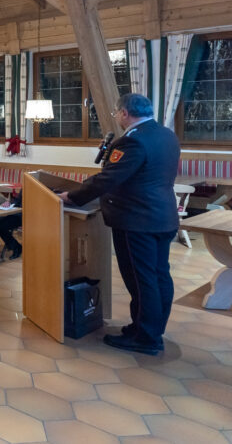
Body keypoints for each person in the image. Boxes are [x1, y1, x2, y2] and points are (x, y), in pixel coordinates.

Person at [59, 93, 179, 356]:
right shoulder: (166, 135)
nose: (116, 117)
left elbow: (108, 179)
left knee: (141, 280)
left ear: (124, 113)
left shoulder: (133, 141)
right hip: (163, 217)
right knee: (159, 275)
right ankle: (149, 328)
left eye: (116, 113)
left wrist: (72, 196)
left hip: (137, 221)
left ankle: (146, 338)